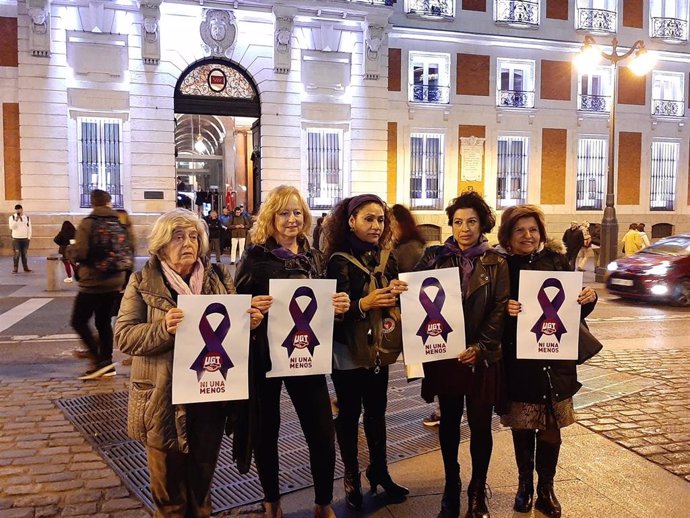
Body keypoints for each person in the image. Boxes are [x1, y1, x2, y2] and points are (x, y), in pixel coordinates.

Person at [114, 208, 265, 518]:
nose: (188, 243)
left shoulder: (219, 277)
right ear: (160, 244)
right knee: (169, 498)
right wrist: (162, 328)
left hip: (209, 400)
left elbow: (233, 337)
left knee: (201, 491)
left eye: (194, 236)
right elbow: (125, 337)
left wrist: (249, 323)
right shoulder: (142, 281)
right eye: (178, 236)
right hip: (161, 403)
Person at [234, 185, 350, 518]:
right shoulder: (255, 257)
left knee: (321, 430)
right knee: (266, 430)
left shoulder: (314, 256)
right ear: (270, 218)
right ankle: (271, 499)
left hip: (306, 356)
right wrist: (250, 305)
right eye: (284, 212)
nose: (292, 219)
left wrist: (338, 305)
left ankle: (323, 501)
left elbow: (325, 305)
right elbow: (234, 303)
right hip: (265, 355)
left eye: (297, 212)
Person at [496, 204, 598, 518]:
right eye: (520, 230)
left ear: (541, 233)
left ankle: (546, 489)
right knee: (523, 427)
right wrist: (505, 311)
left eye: (533, 230)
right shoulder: (500, 265)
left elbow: (570, 311)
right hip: (520, 361)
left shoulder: (557, 261)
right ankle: (525, 485)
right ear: (508, 235)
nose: (527, 236)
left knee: (552, 428)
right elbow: (485, 311)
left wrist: (587, 299)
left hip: (555, 361)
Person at [414, 191, 509, 518]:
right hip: (446, 354)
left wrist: (481, 347)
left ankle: (477, 489)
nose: (464, 228)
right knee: (450, 420)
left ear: (482, 223)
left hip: (481, 357)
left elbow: (499, 308)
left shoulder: (497, 261)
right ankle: (451, 482)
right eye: (457, 222)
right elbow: (416, 296)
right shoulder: (434, 256)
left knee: (481, 425)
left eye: (471, 221)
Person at [323, 195, 410, 511]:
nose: (376, 226)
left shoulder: (388, 258)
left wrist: (398, 296)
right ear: (351, 221)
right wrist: (364, 303)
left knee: (377, 410)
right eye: (368, 219)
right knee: (348, 413)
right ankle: (350, 475)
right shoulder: (338, 261)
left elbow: (398, 301)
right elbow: (331, 314)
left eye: (380, 220)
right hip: (348, 349)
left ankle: (379, 469)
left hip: (379, 347)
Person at [67, 190, 132, 379]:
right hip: (114, 281)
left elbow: (81, 252)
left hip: (93, 281)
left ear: (92, 202)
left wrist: (71, 251)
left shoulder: (88, 224)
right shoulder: (118, 223)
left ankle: (99, 360)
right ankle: (107, 362)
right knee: (103, 322)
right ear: (109, 202)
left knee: (78, 321)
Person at [390, 204, 426, 274]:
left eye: (391, 223)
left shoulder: (409, 248)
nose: (390, 228)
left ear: (400, 224)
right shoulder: (412, 244)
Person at [9, 204, 32, 273]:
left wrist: (29, 237)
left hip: (25, 238)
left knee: (24, 254)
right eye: (17, 210)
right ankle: (15, 268)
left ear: (22, 209)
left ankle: (25, 267)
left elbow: (29, 228)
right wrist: (16, 220)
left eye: (19, 209)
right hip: (16, 238)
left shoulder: (27, 217)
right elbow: (11, 227)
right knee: (17, 253)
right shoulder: (12, 217)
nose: (18, 211)